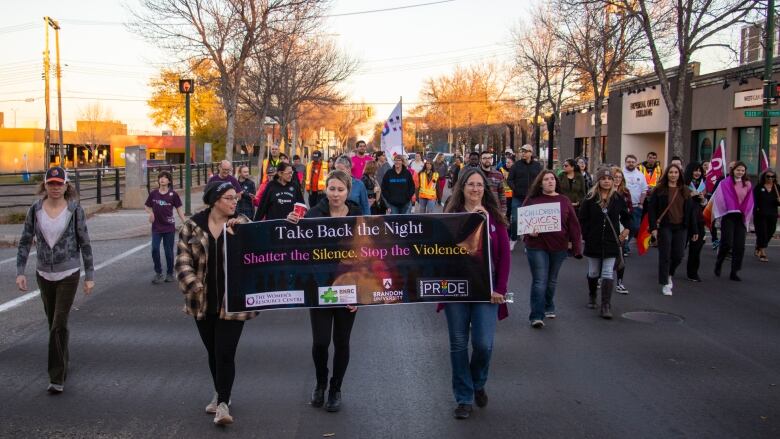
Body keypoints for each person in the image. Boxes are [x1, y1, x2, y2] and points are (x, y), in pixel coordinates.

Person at [175, 181, 258, 425]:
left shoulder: (241, 224)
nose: (235, 202)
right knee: (213, 351)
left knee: (225, 352)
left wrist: (242, 230)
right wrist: (193, 283)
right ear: (215, 201)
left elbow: (262, 246)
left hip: (232, 303)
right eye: (229, 198)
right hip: (201, 301)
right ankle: (221, 390)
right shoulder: (192, 226)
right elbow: (182, 260)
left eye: (236, 198)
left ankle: (222, 403)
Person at [286, 170, 361, 413]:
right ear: (325, 190)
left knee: (342, 342)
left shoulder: (358, 216)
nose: (336, 194)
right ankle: (320, 382)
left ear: (348, 191)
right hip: (319, 288)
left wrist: (361, 293)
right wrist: (292, 226)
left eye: (340, 189)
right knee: (320, 342)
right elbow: (299, 249)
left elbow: (367, 256)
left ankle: (335, 388)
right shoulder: (313, 214)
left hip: (348, 287)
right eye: (332, 189)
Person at [15, 166, 95, 394]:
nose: (55, 188)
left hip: (68, 273)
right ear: (45, 185)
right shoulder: (35, 210)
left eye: (60, 184)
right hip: (43, 273)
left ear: (66, 185)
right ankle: (64, 360)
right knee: (54, 323)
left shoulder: (74, 210)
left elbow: (85, 243)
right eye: (51, 184)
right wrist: (20, 271)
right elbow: (24, 241)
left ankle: (56, 376)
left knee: (58, 323)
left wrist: (89, 275)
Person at [440, 167, 510, 419]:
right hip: (456, 290)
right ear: (462, 187)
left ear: (485, 189)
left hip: (485, 291)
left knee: (483, 344)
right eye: (470, 184)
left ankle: (477, 381)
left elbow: (504, 258)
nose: (475, 189)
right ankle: (464, 397)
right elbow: (439, 251)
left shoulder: (494, 218)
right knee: (458, 344)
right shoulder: (451, 216)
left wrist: (500, 288)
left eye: (480, 185)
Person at [523, 170, 582, 328]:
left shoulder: (564, 200)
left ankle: (548, 304)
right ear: (540, 183)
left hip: (558, 246)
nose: (550, 181)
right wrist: (528, 230)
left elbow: (574, 225)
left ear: (556, 182)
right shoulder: (532, 200)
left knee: (551, 280)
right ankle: (536, 315)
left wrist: (576, 246)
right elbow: (520, 221)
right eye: (546, 179)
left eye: (552, 179)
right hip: (537, 246)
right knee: (540, 280)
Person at [579, 168, 631, 317]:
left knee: (608, 272)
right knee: (594, 272)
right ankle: (592, 294)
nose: (607, 181)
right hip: (593, 240)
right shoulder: (590, 198)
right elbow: (582, 219)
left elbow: (627, 217)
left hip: (611, 241)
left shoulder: (617, 198)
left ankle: (606, 305)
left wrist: (626, 230)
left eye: (609, 178)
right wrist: (586, 235)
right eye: (603, 178)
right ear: (599, 181)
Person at [647, 164, 699, 295]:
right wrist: (653, 228)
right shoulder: (659, 190)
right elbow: (652, 210)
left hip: (681, 227)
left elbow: (692, 213)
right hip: (665, 226)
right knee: (665, 255)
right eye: (671, 172)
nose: (673, 175)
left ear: (679, 174)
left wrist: (695, 230)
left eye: (676, 172)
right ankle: (665, 283)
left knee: (679, 255)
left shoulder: (685, 190)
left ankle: (670, 273)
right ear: (667, 174)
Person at [712, 162, 753, 281]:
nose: (740, 172)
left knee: (739, 246)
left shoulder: (748, 184)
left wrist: (745, 212)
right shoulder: (725, 183)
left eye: (742, 170)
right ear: (733, 170)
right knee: (727, 243)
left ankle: (734, 271)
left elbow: (750, 200)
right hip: (728, 216)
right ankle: (719, 263)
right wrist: (728, 207)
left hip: (740, 217)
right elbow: (719, 198)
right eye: (738, 170)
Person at [145, 170, 185, 284]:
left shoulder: (173, 194)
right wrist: (150, 213)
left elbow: (179, 210)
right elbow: (147, 206)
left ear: (169, 181)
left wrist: (184, 222)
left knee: (168, 251)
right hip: (156, 227)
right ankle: (158, 273)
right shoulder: (154, 194)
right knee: (155, 249)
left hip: (169, 227)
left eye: (165, 177)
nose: (162, 179)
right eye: (160, 177)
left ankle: (169, 273)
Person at [508, 144, 543, 249]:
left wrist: (538, 190)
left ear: (531, 153)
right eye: (522, 151)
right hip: (517, 197)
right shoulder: (516, 165)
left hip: (532, 197)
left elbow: (542, 179)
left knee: (530, 221)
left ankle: (528, 243)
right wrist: (516, 189)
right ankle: (513, 238)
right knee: (515, 219)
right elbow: (509, 180)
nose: (523, 153)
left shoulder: (537, 166)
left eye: (525, 151)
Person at [684, 162, 707, 281]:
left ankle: (692, 272)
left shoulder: (703, 185)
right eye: (695, 170)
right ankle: (669, 269)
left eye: (699, 170)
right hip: (684, 220)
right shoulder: (683, 184)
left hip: (698, 220)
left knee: (696, 248)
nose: (698, 173)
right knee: (678, 250)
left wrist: (703, 200)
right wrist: (689, 196)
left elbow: (704, 205)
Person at [611, 167, 632, 293]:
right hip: (608, 225)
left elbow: (629, 210)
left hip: (621, 225)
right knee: (607, 254)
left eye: (620, 177)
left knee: (620, 254)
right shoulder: (604, 191)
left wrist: (627, 228)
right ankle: (601, 277)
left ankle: (619, 282)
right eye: (615, 177)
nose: (618, 179)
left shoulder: (625, 192)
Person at [622, 154, 648, 256]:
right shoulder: (621, 173)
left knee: (635, 227)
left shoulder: (640, 175)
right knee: (624, 226)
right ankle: (623, 246)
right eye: (629, 162)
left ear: (636, 163)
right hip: (623, 206)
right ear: (625, 162)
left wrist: (641, 203)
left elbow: (644, 190)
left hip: (636, 206)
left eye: (633, 162)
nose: (631, 163)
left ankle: (626, 243)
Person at [754, 169, 780, 262]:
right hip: (760, 214)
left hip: (772, 214)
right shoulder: (759, 187)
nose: (770, 178)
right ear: (764, 177)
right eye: (768, 176)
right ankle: (763, 252)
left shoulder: (777, 187)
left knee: (770, 232)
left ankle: (759, 245)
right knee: (762, 233)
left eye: (772, 177)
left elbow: (778, 203)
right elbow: (754, 200)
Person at [479, 150, 507, 216]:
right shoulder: (476, 173)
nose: (487, 160)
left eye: (489, 158)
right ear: (480, 160)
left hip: (495, 208)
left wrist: (503, 210)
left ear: (491, 159)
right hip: (480, 208)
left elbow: (502, 194)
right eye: (484, 158)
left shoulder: (498, 174)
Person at [500, 156, 514, 222]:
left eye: (509, 162)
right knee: (507, 212)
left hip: (514, 195)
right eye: (506, 162)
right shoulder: (501, 170)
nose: (507, 164)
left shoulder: (515, 170)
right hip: (505, 195)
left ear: (513, 163)